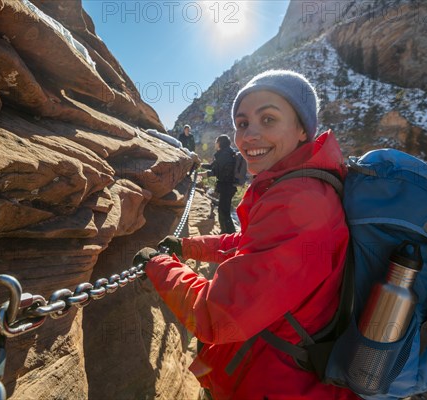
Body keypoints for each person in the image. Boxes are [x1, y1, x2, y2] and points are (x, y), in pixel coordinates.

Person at [134, 70, 357, 399]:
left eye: (268, 119)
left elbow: (219, 314)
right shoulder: (298, 185)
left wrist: (160, 266)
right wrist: (187, 246)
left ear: (301, 130)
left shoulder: (301, 201)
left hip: (275, 383)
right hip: (272, 369)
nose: (249, 135)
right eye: (242, 123)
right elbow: (253, 246)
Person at [202, 135, 237, 234]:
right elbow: (213, 166)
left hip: (226, 186)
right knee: (223, 211)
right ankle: (226, 232)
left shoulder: (224, 155)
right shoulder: (226, 153)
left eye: (216, 141)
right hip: (228, 186)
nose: (215, 143)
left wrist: (205, 174)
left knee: (223, 212)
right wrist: (201, 165)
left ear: (220, 143)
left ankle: (229, 234)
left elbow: (216, 171)